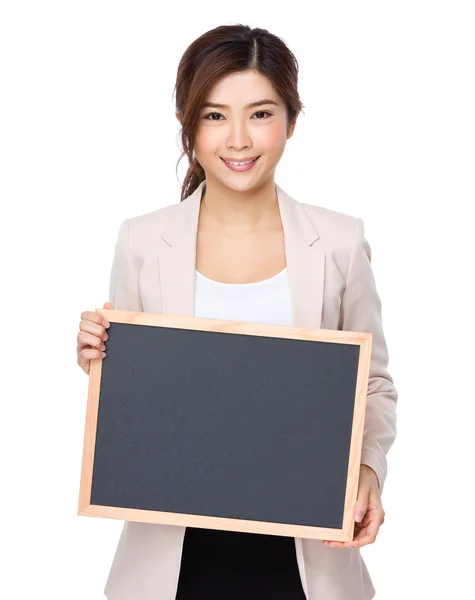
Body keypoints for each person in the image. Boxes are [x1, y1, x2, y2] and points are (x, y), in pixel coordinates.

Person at [76, 23, 398, 600]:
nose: (239, 140)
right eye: (216, 115)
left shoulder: (340, 242)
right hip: (173, 558)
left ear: (292, 121)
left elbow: (372, 383)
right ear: (189, 125)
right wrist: (101, 359)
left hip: (307, 556)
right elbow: (138, 400)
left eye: (261, 113)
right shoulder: (142, 241)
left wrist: (369, 472)